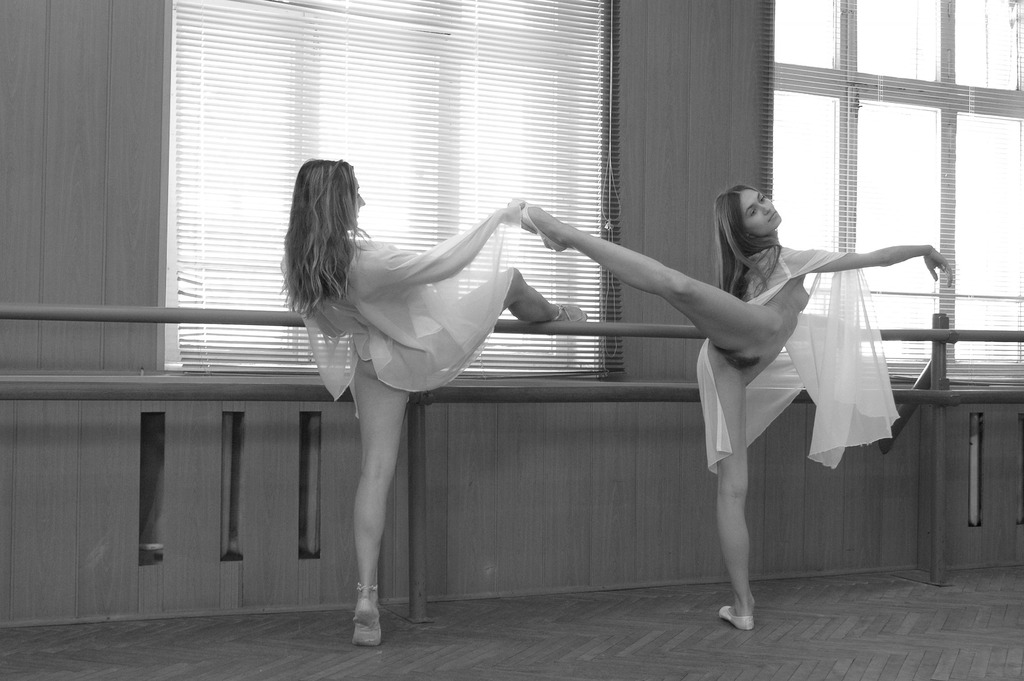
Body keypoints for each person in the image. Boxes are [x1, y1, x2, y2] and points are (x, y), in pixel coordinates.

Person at [516, 187, 951, 631]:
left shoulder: (777, 263)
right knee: (676, 285)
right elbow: (877, 258)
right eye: (753, 211)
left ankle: (742, 607)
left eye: (763, 200)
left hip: (736, 362)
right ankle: (563, 232)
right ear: (743, 230)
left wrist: (923, 248)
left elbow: (874, 259)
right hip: (735, 348)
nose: (766, 208)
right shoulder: (786, 261)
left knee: (733, 488)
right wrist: (924, 249)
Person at [282, 159, 586, 646]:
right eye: (356, 193)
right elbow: (444, 263)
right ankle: (560, 314)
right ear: (338, 202)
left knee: (374, 472)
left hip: (371, 362)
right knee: (510, 279)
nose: (362, 201)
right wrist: (503, 217)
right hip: (414, 352)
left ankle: (366, 597)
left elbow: (334, 323)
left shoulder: (301, 262)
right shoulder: (367, 263)